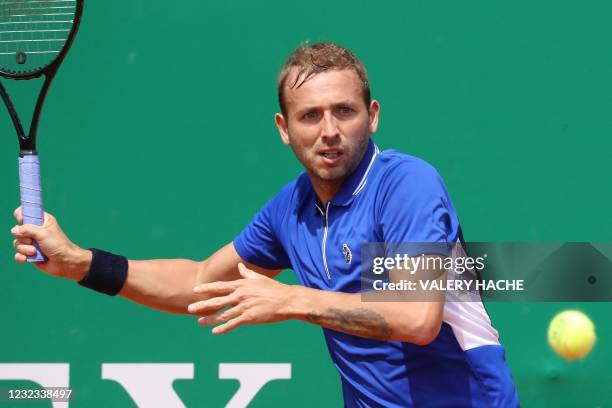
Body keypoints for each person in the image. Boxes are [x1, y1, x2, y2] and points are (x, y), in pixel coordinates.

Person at [11, 42, 519, 407]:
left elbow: (417, 320)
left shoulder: (407, 184)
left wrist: (294, 299)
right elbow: (200, 284)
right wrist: (81, 263)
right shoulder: (290, 209)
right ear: (284, 129)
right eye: (310, 116)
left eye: (344, 111)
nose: (329, 131)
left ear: (373, 115)